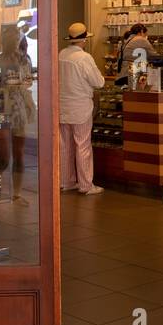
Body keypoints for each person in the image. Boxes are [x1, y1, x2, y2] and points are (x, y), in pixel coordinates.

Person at [59, 22, 105, 195]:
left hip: (63, 106)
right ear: (84, 40)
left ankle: (66, 181)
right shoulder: (84, 58)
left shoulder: (62, 54)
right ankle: (86, 185)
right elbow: (98, 82)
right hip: (80, 107)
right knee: (83, 145)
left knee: (64, 145)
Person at [0, 26, 35, 204]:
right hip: (0, 109)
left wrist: (20, 83)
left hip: (17, 110)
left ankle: (16, 193)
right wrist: (3, 84)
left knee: (17, 154)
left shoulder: (25, 60)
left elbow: (27, 83)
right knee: (5, 155)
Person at [115, 22, 158, 87]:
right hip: (130, 76)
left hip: (121, 76)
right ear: (141, 31)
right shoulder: (141, 39)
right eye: (145, 34)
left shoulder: (128, 40)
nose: (146, 36)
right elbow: (153, 56)